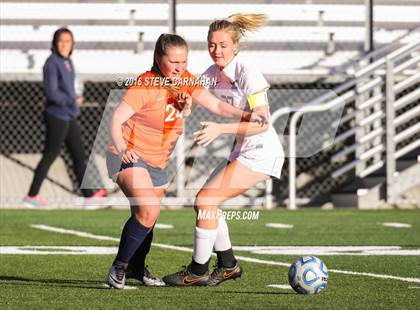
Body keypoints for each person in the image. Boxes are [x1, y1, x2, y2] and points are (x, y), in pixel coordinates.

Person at [106, 33, 264, 289]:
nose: (180, 68)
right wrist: (123, 148)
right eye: (174, 62)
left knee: (146, 216)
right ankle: (119, 268)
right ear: (158, 58)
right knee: (148, 210)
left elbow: (217, 106)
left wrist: (248, 115)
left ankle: (136, 267)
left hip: (157, 160)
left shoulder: (185, 81)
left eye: (184, 62)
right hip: (128, 153)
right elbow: (115, 119)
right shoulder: (146, 83)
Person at [162, 13, 284, 286]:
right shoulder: (211, 74)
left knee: (206, 201)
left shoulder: (247, 72)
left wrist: (220, 129)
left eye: (223, 45)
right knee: (204, 203)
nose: (216, 51)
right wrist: (184, 102)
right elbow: (192, 99)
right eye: (211, 45)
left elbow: (262, 123)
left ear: (236, 46)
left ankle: (197, 271)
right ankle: (228, 265)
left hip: (261, 150)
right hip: (242, 149)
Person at [24, 28, 106, 208]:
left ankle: (89, 196)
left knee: (78, 154)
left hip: (69, 114)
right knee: (51, 155)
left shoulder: (67, 61)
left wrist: (75, 99)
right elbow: (52, 92)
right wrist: (72, 99)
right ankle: (32, 195)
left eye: (68, 41)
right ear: (55, 43)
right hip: (57, 115)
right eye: (61, 41)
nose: (64, 45)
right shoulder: (52, 63)